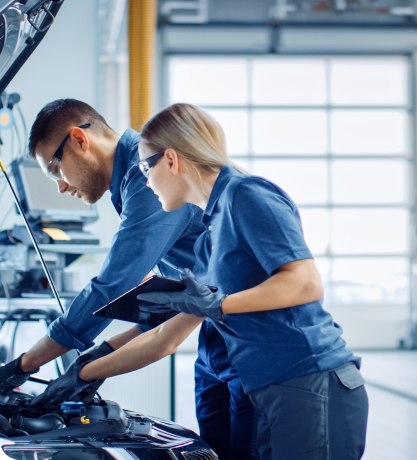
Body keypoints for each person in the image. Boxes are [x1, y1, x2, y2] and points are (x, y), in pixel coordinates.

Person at [34, 103, 369, 460]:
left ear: (173, 161)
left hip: (308, 379)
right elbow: (166, 333)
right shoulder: (210, 232)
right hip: (270, 386)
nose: (144, 181)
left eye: (146, 168)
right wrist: (87, 368)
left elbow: (305, 284)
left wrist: (217, 304)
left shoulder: (247, 195)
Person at [2, 99, 254, 460]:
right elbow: (177, 297)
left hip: (254, 341)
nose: (60, 186)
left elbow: (111, 285)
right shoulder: (134, 185)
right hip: (215, 339)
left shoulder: (151, 176)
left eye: (56, 170)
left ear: (79, 140)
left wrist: (24, 365)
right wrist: (98, 357)